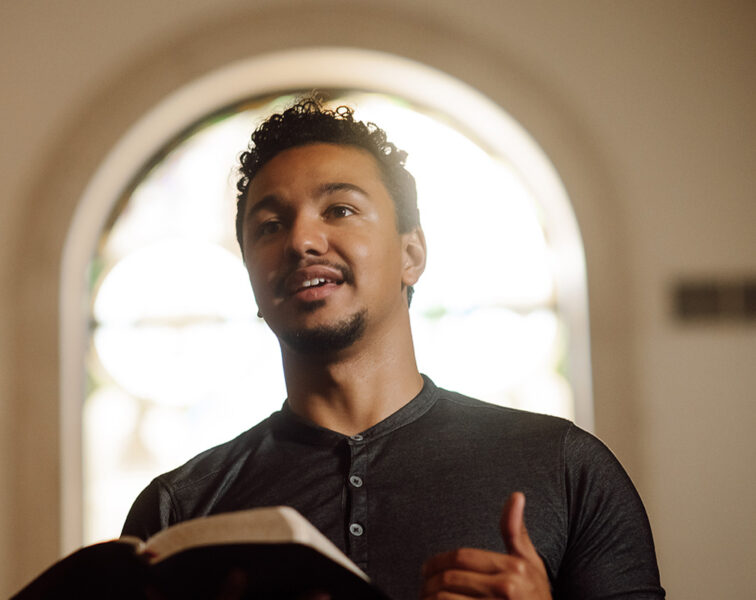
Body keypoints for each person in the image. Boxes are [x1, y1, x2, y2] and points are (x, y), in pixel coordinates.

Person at [122, 97, 664, 599]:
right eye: (270, 225)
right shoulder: (179, 511)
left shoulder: (568, 470)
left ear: (412, 254)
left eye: (339, 210)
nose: (301, 241)